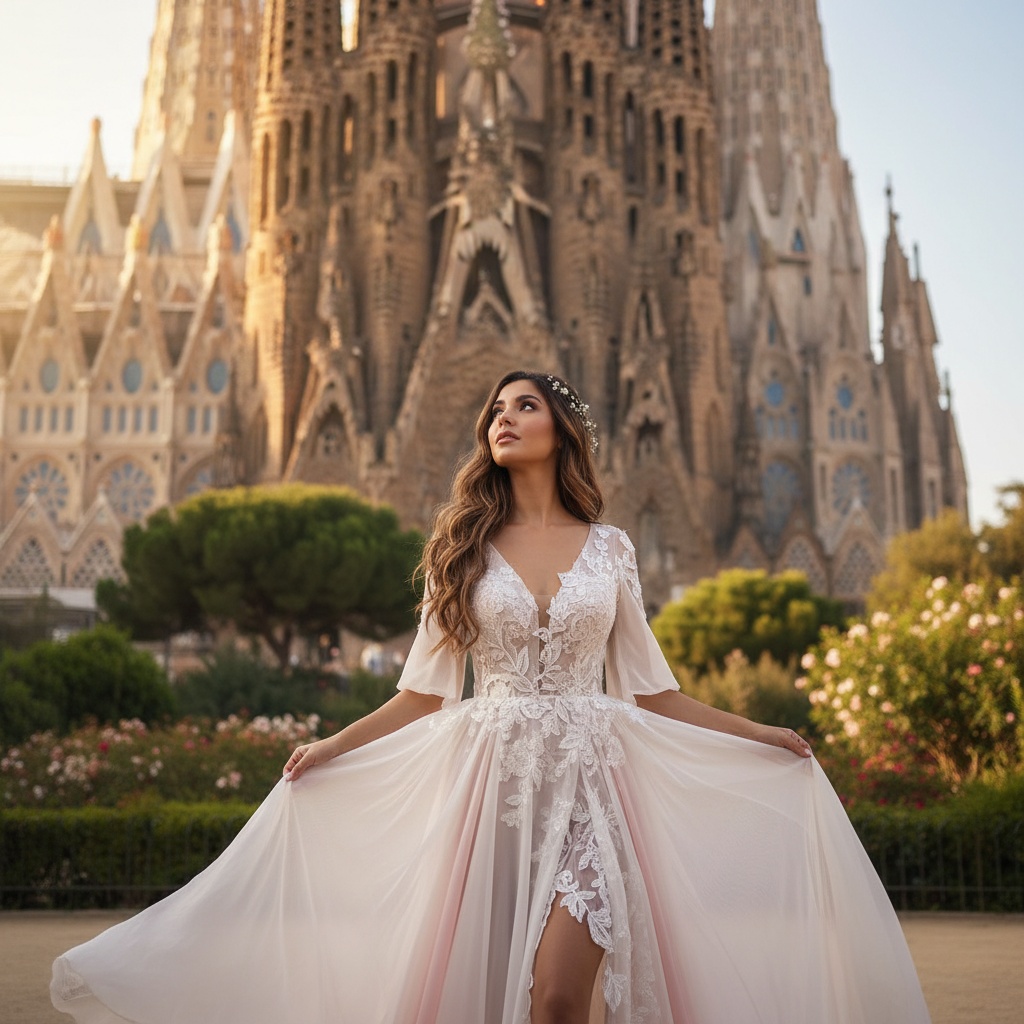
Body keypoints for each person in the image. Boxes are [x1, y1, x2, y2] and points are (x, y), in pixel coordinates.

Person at [52, 370, 931, 1024]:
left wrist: (759, 733)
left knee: (559, 997)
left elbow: (656, 692)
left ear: (561, 429)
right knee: (495, 993)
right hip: (494, 793)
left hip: (594, 792)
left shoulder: (611, 549)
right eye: (496, 411)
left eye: (524, 405)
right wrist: (330, 748)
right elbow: (421, 695)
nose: (503, 419)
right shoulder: (463, 550)